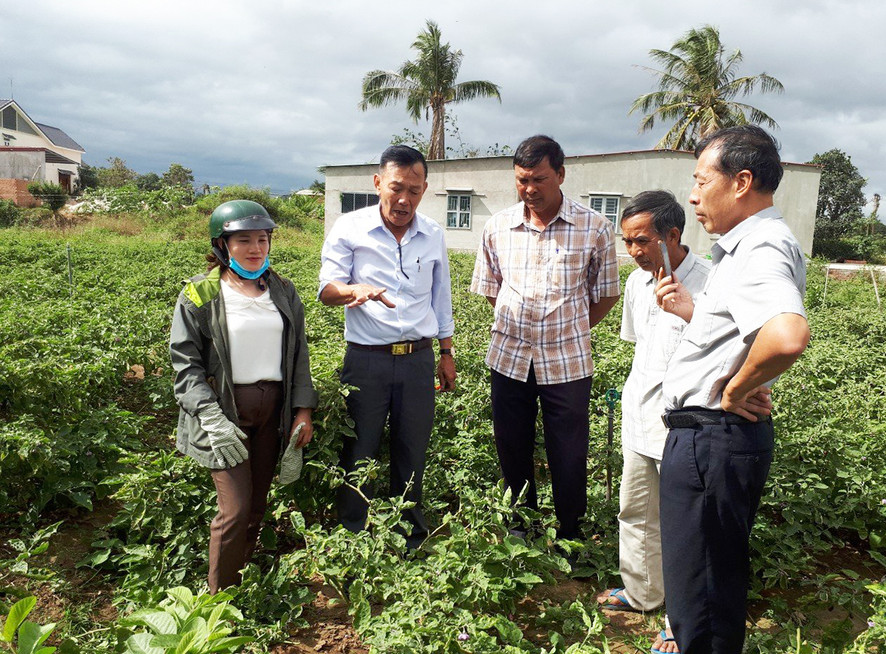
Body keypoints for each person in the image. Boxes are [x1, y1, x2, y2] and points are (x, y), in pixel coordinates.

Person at [653, 126, 810, 654]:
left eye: (701, 181)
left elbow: (787, 336)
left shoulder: (760, 246)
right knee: (705, 586)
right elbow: (739, 334)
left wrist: (734, 389)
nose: (693, 196)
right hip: (709, 442)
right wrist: (741, 376)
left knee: (703, 599)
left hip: (710, 441)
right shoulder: (744, 248)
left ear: (741, 182)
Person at [470, 135, 620, 544]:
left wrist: (569, 328)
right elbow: (490, 288)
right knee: (512, 447)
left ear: (561, 175)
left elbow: (606, 293)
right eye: (521, 180)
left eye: (539, 179)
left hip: (568, 361)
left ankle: (570, 533)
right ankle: (522, 528)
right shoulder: (498, 226)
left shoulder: (594, 227)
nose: (529, 189)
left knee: (568, 454)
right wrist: (522, 328)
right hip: (509, 358)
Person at [170, 199, 318, 593]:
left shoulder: (283, 290)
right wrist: (211, 418)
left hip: (273, 412)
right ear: (222, 245)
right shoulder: (199, 295)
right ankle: (217, 602)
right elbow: (186, 367)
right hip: (226, 414)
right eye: (244, 240)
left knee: (256, 505)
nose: (256, 249)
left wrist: (303, 410)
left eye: (263, 239)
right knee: (233, 511)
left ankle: (243, 580)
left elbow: (299, 354)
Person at [318, 144, 455, 550]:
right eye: (396, 188)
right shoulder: (349, 227)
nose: (404, 199)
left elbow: (440, 298)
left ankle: (410, 534)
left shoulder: (433, 235)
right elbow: (326, 289)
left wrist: (446, 354)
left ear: (424, 189)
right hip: (367, 360)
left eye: (414, 190)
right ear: (378, 183)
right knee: (358, 448)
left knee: (412, 449)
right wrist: (351, 290)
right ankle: (352, 534)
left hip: (417, 360)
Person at [597, 191, 710, 615]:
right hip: (639, 415)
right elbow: (641, 347)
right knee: (636, 511)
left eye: (641, 241)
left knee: (686, 524)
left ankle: (684, 619)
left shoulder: (710, 282)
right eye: (627, 242)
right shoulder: (635, 283)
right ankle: (643, 592)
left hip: (687, 425)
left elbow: (733, 348)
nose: (633, 252)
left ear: (673, 235)